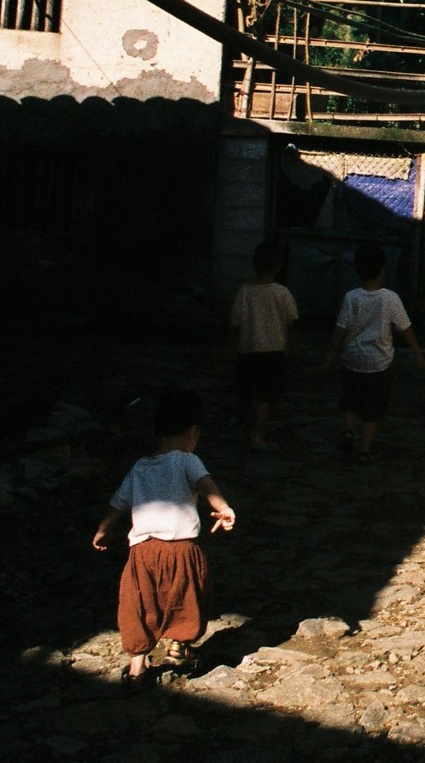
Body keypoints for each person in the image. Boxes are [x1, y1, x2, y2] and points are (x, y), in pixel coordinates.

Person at [91, 389, 235, 691]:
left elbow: (118, 503)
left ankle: (137, 668)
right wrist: (223, 508)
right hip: (182, 549)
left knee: (138, 604)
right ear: (193, 432)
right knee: (186, 596)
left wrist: (104, 528)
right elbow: (205, 485)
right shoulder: (188, 461)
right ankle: (177, 647)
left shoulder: (140, 467)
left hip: (142, 551)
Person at [323, 242, 425, 464]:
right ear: (383, 269)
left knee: (351, 399)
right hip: (379, 363)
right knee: (374, 407)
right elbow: (404, 327)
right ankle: (365, 449)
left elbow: (340, 328)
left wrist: (330, 355)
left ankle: (349, 429)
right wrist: (417, 353)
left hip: (352, 359)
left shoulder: (351, 297)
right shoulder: (390, 298)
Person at [232, 240, 298, 449]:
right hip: (273, 350)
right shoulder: (282, 293)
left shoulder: (245, 291)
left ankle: (243, 426)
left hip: (247, 348)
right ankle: (259, 434)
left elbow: (235, 321)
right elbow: (291, 320)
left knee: (246, 391)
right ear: (279, 267)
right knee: (266, 394)